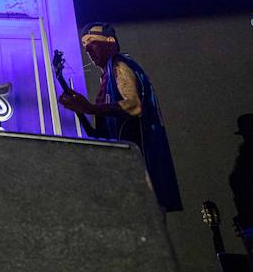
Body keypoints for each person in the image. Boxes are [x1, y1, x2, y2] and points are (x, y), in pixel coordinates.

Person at [58, 22, 183, 211]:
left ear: (110, 41)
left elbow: (133, 105)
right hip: (123, 168)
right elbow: (97, 134)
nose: (87, 49)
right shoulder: (105, 79)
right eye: (84, 45)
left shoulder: (119, 64)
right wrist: (80, 109)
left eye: (91, 41)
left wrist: (90, 108)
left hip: (139, 162)